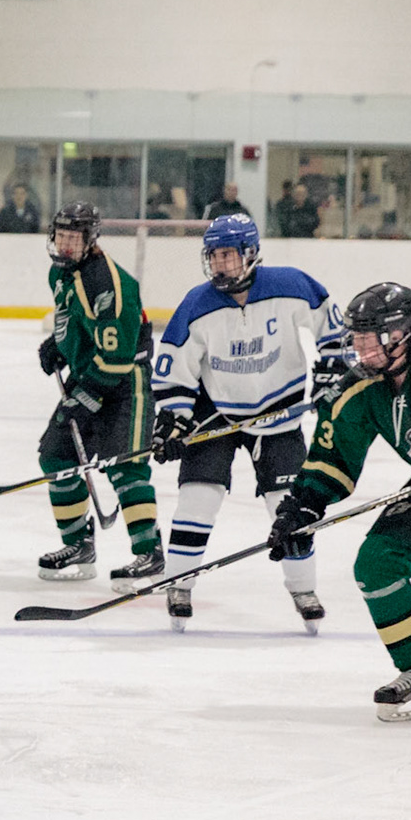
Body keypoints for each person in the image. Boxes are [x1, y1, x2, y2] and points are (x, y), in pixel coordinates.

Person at [268, 283, 411, 722]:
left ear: (401, 334)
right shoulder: (358, 389)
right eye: (355, 337)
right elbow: (331, 459)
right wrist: (301, 508)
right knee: (377, 562)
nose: (360, 347)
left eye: (368, 337)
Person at [149, 213, 350, 628]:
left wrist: (333, 369)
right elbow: (175, 368)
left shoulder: (291, 285)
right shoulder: (197, 304)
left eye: (228, 255)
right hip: (216, 412)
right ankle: (179, 583)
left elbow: (334, 328)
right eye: (213, 256)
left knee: (289, 505)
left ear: (251, 253)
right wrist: (173, 420)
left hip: (279, 412)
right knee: (198, 496)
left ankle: (303, 588)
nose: (219, 264)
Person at [34, 200, 163, 582]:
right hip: (91, 372)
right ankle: (79, 545)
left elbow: (118, 356)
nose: (65, 244)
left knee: (126, 465)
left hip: (126, 380)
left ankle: (150, 553)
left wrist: (85, 400)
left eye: (74, 238)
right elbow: (78, 322)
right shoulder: (60, 273)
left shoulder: (109, 283)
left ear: (91, 239)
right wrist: (61, 346)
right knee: (56, 457)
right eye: (61, 236)